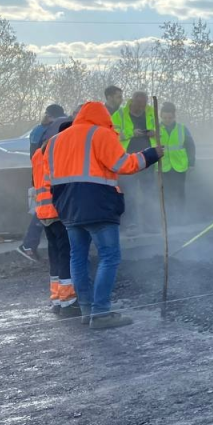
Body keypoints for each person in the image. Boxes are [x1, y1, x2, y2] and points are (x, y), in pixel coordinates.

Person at [47, 101, 163, 329]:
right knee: (109, 256)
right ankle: (101, 314)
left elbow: (50, 174)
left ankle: (87, 310)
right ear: (103, 118)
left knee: (77, 258)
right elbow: (125, 164)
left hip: (67, 206)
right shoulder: (100, 134)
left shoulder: (54, 141)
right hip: (98, 204)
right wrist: (151, 154)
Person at [31, 116, 80, 319]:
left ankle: (57, 299)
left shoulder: (38, 153)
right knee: (65, 256)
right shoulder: (58, 149)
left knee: (54, 256)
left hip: (43, 212)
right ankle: (68, 301)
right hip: (58, 211)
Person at [17, 104, 67, 262]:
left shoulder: (43, 129)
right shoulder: (50, 129)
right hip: (48, 175)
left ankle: (29, 245)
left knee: (46, 209)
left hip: (42, 174)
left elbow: (34, 153)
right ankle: (29, 244)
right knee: (45, 209)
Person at [111, 91, 158, 232]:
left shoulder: (151, 113)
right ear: (132, 101)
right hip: (127, 160)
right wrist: (132, 133)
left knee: (149, 192)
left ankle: (150, 224)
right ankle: (130, 224)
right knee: (129, 193)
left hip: (148, 160)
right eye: (138, 104)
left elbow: (160, 130)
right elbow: (112, 134)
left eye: (143, 104)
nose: (141, 107)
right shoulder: (119, 115)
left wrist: (154, 132)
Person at [158, 102, 196, 225]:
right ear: (161, 116)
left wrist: (191, 163)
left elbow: (190, 146)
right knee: (166, 194)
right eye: (164, 118)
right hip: (163, 167)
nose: (167, 120)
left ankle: (180, 218)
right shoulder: (156, 129)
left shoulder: (182, 128)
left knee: (180, 192)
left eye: (169, 117)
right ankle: (169, 218)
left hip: (179, 166)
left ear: (174, 116)